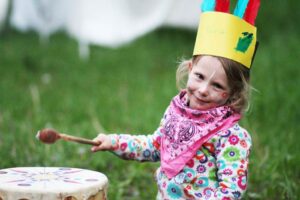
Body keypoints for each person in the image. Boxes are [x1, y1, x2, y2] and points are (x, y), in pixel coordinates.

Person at [91, 0, 260, 199]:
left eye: (217, 86)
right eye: (199, 76)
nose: (203, 90)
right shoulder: (177, 112)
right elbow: (155, 146)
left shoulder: (231, 136)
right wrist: (115, 142)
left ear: (232, 93)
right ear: (190, 69)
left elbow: (231, 191)